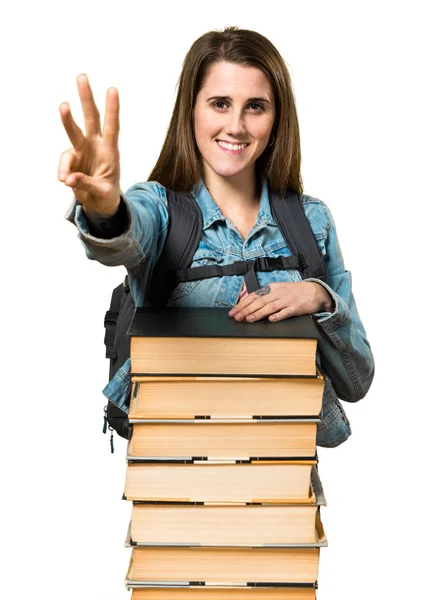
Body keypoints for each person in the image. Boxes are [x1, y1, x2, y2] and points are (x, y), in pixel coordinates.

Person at [59, 26, 374, 448]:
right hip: (175, 477)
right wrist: (103, 210)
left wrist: (319, 298)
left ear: (277, 118)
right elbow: (121, 237)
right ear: (191, 110)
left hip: (283, 481)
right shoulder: (160, 209)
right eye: (220, 104)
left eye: (256, 106)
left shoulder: (311, 220)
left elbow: (357, 379)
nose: (237, 125)